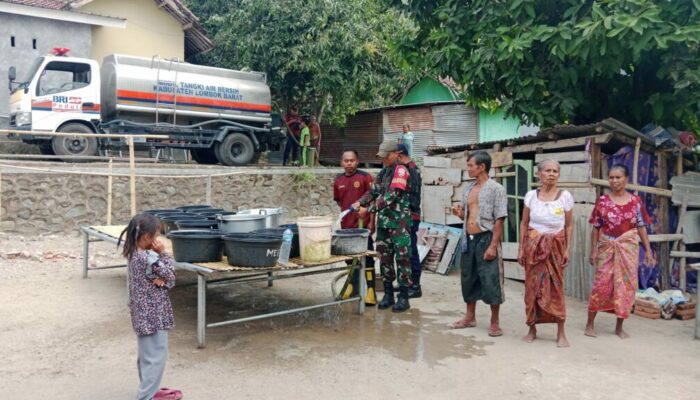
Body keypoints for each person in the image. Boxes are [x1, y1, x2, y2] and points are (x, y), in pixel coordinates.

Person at [585, 164, 655, 339]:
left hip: (628, 250)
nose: (614, 181)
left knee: (626, 287)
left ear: (626, 179)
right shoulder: (603, 201)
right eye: (611, 177)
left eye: (618, 177)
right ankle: (589, 324)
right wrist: (593, 250)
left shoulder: (635, 202)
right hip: (607, 249)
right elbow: (596, 228)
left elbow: (641, 227)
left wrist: (648, 250)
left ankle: (619, 326)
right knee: (600, 285)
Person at [117, 213, 181, 400]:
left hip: (142, 315)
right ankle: (146, 396)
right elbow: (171, 275)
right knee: (156, 358)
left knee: (146, 356)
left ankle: (150, 391)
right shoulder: (149, 259)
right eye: (156, 235)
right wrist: (163, 254)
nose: (158, 239)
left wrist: (160, 276)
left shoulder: (134, 254)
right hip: (154, 316)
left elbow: (162, 278)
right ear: (146, 238)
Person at [450, 151, 507, 336]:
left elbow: (499, 219)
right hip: (468, 238)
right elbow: (468, 215)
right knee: (468, 277)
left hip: (486, 237)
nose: (468, 169)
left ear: (482, 167)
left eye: (470, 165)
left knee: (491, 279)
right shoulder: (468, 189)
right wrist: (459, 213)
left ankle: (495, 321)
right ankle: (469, 317)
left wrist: (493, 245)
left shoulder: (496, 189)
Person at [518, 160, 573, 347]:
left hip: (556, 248)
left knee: (556, 289)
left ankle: (561, 332)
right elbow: (524, 224)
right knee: (532, 288)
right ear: (539, 174)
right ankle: (532, 328)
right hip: (533, 248)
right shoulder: (531, 196)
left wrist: (566, 248)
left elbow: (569, 224)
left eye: (555, 171)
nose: (551, 174)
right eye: (547, 170)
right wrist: (521, 248)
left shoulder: (565, 196)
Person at [352, 140, 412, 312]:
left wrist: (368, 209)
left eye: (386, 156)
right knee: (384, 259)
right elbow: (373, 191)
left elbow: (391, 196)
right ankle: (388, 294)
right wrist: (360, 202)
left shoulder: (401, 171)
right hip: (384, 224)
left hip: (399, 224)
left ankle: (404, 297)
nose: (383, 160)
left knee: (402, 259)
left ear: (396, 154)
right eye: (382, 157)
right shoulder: (384, 172)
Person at [333, 149, 376, 305]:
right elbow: (339, 201)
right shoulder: (338, 180)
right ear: (341, 162)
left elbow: (373, 200)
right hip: (347, 227)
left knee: (368, 258)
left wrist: (372, 222)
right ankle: (352, 288)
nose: (349, 163)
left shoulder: (365, 177)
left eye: (352, 160)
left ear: (357, 161)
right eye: (346, 160)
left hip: (362, 227)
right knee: (350, 260)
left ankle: (371, 293)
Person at [397, 143, 423, 298]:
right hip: (409, 216)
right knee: (406, 251)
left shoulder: (410, 171)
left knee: (411, 251)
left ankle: (416, 286)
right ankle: (408, 283)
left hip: (410, 217)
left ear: (399, 155)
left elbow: (411, 198)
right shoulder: (410, 168)